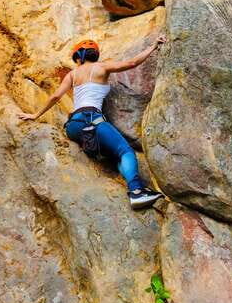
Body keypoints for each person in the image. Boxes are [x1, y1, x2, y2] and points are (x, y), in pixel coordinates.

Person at [18, 37, 165, 209]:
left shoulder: (72, 74)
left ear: (78, 57)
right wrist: (153, 46)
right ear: (94, 55)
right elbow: (132, 63)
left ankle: (99, 153)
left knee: (114, 157)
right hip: (92, 120)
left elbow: (55, 96)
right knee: (125, 151)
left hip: (73, 126)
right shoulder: (101, 67)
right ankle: (137, 192)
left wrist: (35, 115)